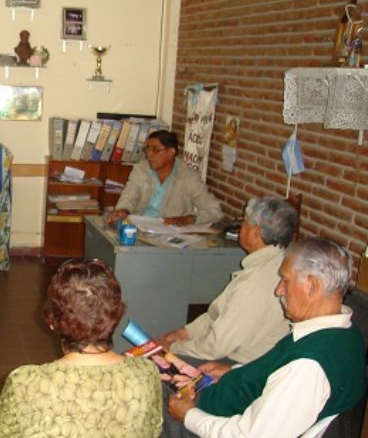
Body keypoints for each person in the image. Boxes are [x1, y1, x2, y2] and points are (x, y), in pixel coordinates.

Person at [168, 237, 366, 437]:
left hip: (208, 420)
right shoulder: (345, 333)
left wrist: (188, 415)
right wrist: (236, 372)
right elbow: (279, 377)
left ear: (312, 286)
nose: (278, 290)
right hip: (224, 399)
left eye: (286, 280)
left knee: (144, 396)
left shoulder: (307, 367)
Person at [0, 260, 163, 437]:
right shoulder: (146, 374)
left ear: (52, 322)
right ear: (116, 316)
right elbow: (154, 430)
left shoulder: (27, 383)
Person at [158, 196, 297, 365]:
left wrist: (173, 347)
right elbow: (218, 316)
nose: (240, 228)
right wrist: (185, 332)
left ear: (255, 232)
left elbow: (215, 347)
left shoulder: (255, 285)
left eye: (244, 223)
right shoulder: (279, 260)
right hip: (228, 350)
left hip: (239, 365)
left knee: (153, 365)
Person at [108, 130, 223, 227]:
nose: (149, 154)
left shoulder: (188, 176)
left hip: (170, 233)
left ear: (171, 152)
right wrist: (123, 210)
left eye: (156, 150)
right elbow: (129, 197)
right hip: (139, 228)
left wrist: (188, 219)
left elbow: (214, 211)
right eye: (148, 149)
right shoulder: (141, 169)